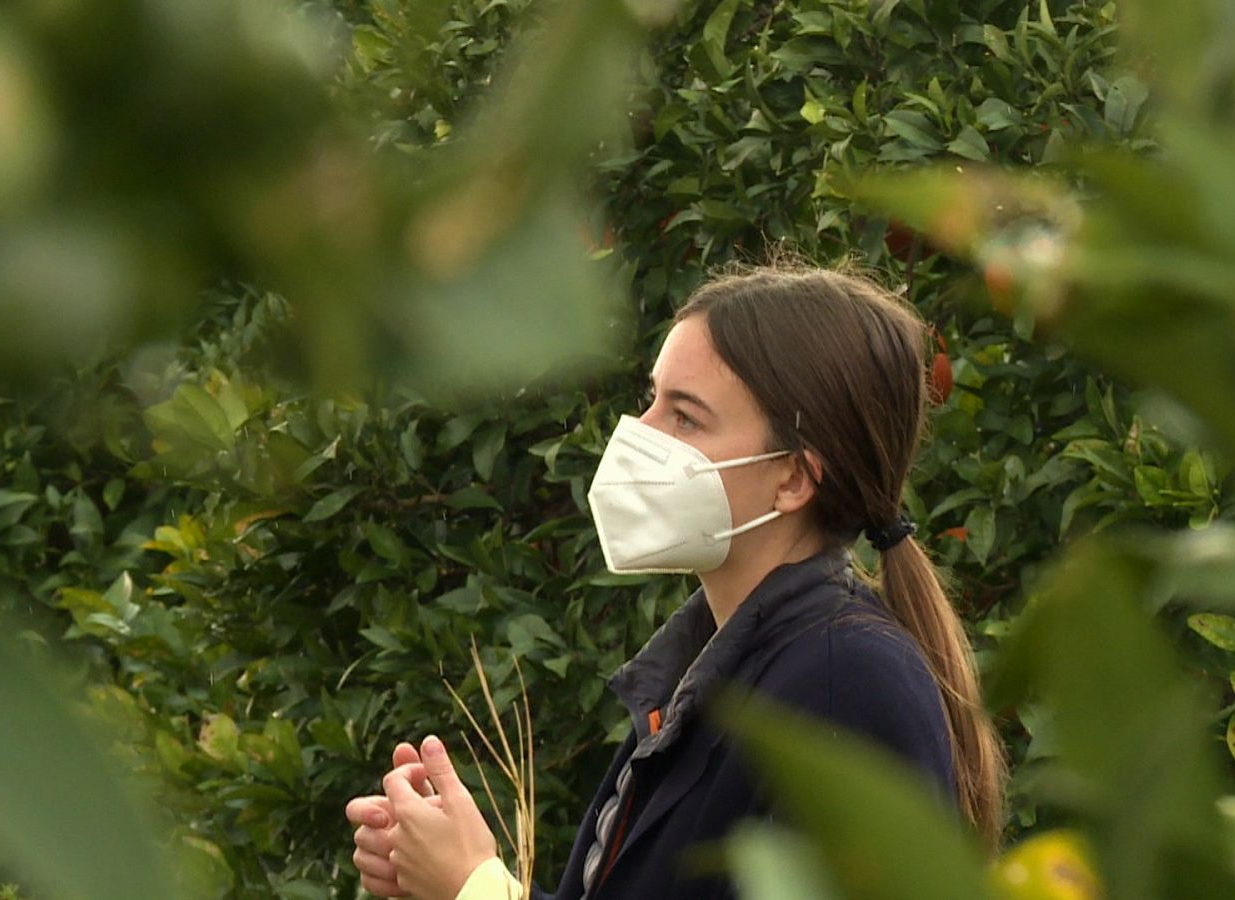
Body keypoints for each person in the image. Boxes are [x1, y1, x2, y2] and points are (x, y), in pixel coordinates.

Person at [345, 265, 1007, 899]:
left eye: (686, 417)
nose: (639, 434)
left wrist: (478, 888)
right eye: (651, 400)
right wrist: (443, 875)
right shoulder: (717, 672)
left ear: (794, 478)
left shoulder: (848, 682)